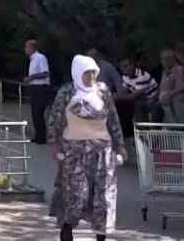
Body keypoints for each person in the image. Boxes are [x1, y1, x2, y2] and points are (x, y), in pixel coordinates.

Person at [48, 55, 126, 241]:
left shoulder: (103, 91)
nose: (91, 76)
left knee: (103, 196)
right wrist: (54, 146)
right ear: (77, 73)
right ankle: (67, 228)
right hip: (74, 152)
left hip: (103, 152)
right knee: (75, 194)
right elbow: (54, 121)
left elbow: (113, 119)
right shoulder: (67, 92)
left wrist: (120, 145)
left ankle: (101, 235)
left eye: (93, 72)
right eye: (86, 73)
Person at [117, 56, 158, 138]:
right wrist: (118, 95)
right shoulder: (125, 76)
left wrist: (117, 96)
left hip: (153, 99)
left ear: (133, 65)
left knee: (138, 104)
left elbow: (134, 95)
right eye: (124, 66)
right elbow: (123, 90)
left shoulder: (142, 76)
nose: (127, 68)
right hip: (140, 99)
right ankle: (128, 134)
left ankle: (143, 135)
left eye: (129, 65)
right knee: (121, 106)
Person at [23, 39, 52, 144]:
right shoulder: (32, 60)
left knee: (38, 112)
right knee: (34, 113)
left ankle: (42, 137)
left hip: (41, 88)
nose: (25, 49)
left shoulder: (40, 58)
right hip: (34, 88)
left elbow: (45, 73)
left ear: (31, 48)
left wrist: (31, 78)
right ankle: (37, 134)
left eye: (26, 47)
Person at [157, 48, 184, 122]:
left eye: (162, 59)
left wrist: (167, 94)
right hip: (165, 99)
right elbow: (161, 87)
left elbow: (179, 88)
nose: (161, 62)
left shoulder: (179, 70)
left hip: (176, 98)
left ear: (169, 60)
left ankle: (178, 126)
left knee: (173, 100)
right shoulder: (165, 72)